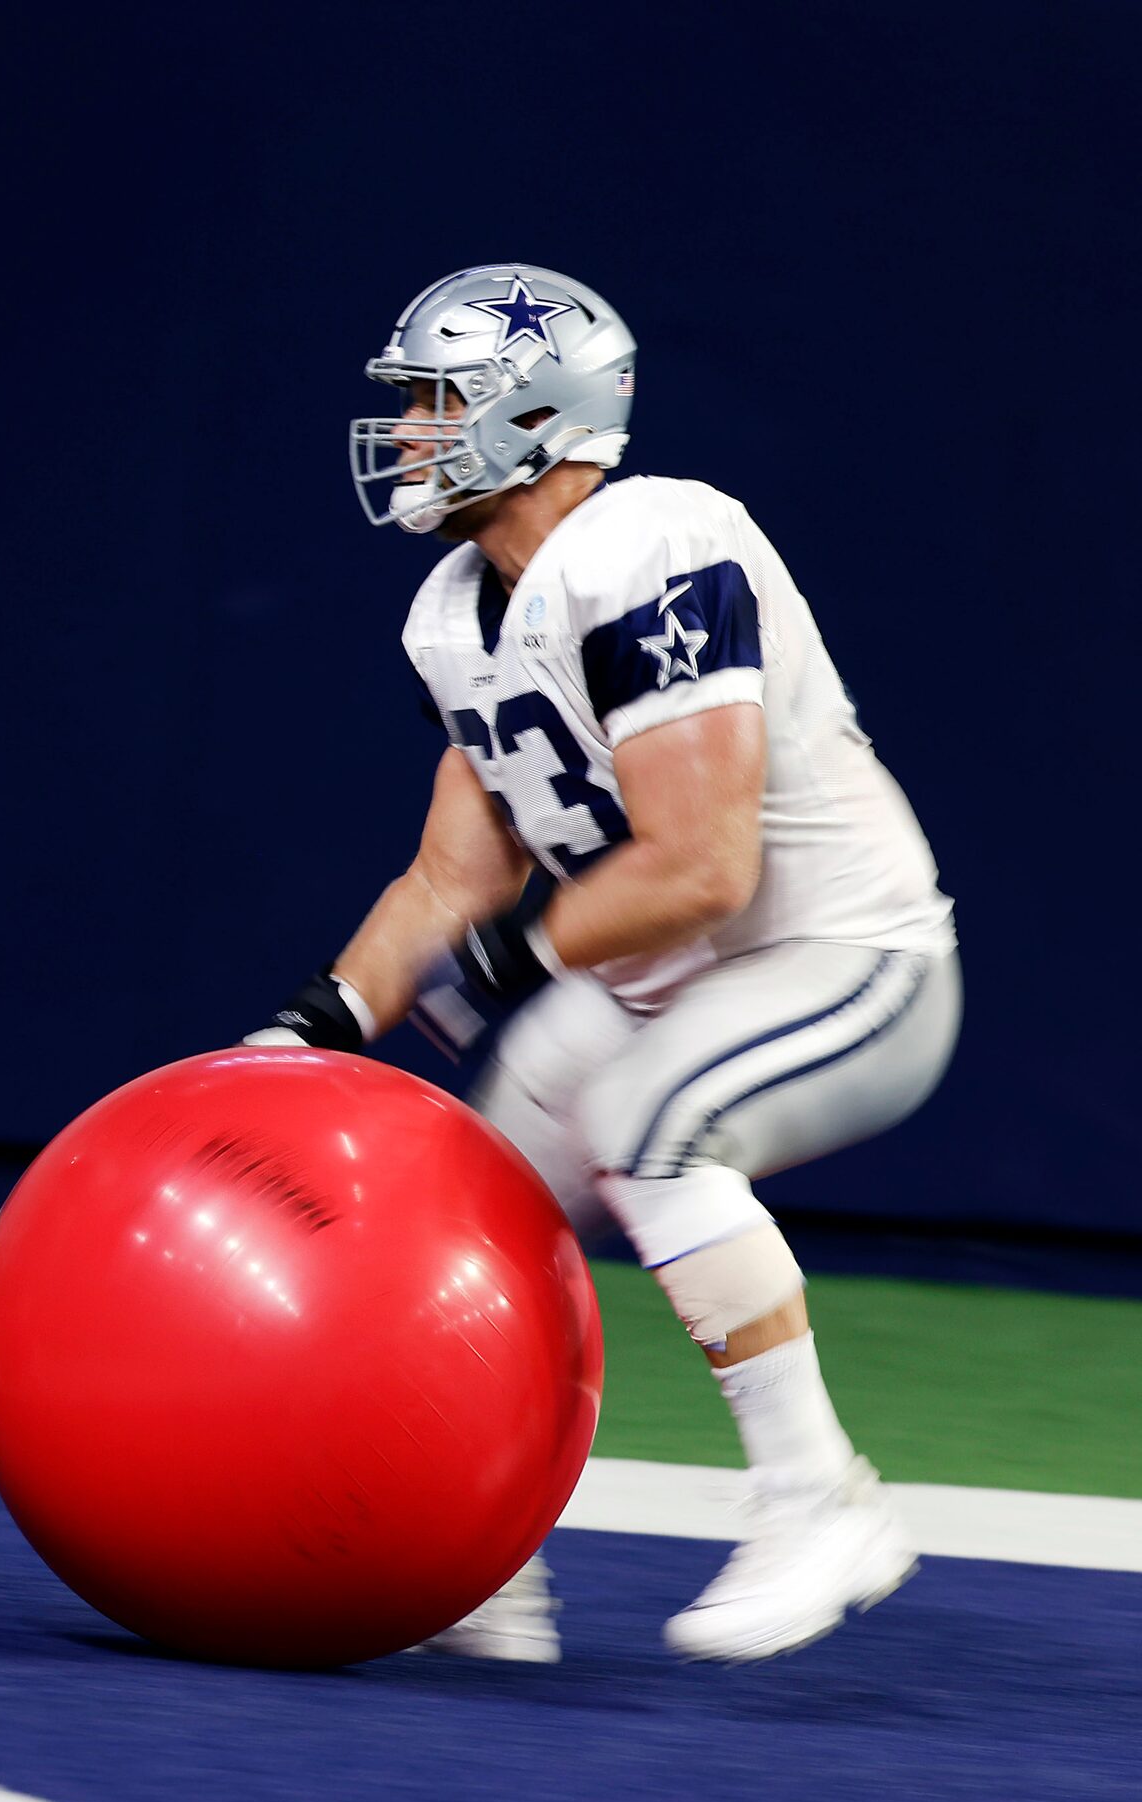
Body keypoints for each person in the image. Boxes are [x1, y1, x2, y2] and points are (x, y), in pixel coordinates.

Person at [245, 265, 958, 1663]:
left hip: (846, 959)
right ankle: (481, 1551)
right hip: (672, 982)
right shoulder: (463, 606)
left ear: (532, 412)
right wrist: (307, 1028)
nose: (402, 434)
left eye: (436, 401)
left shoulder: (656, 545)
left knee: (652, 1123)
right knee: (474, 1202)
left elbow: (704, 865)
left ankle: (823, 1499)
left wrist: (514, 961)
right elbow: (455, 872)